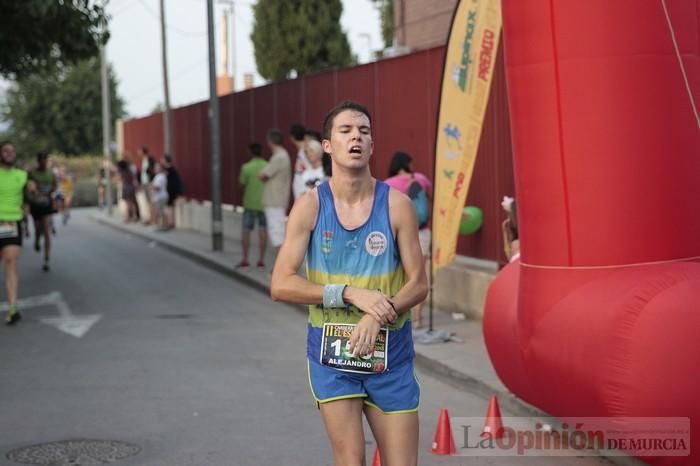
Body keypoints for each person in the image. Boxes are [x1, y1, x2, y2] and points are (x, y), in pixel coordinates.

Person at [270, 101, 427, 466]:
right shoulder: (309, 206)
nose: (356, 136)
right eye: (346, 131)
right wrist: (347, 293)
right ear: (327, 145)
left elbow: (419, 284)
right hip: (332, 359)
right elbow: (281, 284)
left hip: (390, 356)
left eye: (364, 131)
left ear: (372, 146)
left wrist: (379, 314)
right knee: (351, 460)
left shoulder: (396, 205)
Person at [384, 151, 433, 329]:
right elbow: (431, 198)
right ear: (408, 164)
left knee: (400, 275)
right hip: (422, 232)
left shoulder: (388, 184)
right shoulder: (420, 178)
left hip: (398, 233)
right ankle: (418, 318)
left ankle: (400, 313)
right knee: (419, 276)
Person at [0, 142, 29, 325]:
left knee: (11, 262)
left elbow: (29, 198)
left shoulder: (22, 176)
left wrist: (27, 207)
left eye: (12, 150)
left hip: (12, 223)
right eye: (5, 151)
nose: (10, 153)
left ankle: (12, 308)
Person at [258, 128, 291, 266]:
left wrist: (262, 174)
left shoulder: (279, 157)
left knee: (277, 235)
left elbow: (263, 174)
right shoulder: (283, 155)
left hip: (275, 200)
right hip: (277, 199)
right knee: (278, 233)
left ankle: (281, 268)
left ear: (270, 141)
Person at [237, 142, 268, 269]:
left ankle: (245, 259)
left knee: (246, 232)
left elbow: (241, 184)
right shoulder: (267, 166)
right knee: (263, 231)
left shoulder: (246, 167)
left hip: (249, 203)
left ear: (250, 152)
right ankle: (261, 260)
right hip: (264, 204)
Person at [28, 152, 57, 271]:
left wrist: (49, 193)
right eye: (43, 160)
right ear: (38, 161)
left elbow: (55, 186)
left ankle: (46, 259)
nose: (45, 163)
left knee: (46, 231)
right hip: (35, 205)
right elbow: (29, 186)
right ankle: (36, 240)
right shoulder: (32, 173)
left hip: (46, 204)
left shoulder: (51, 173)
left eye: (46, 160)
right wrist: (35, 193)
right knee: (37, 229)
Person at [163, 154, 183, 230]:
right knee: (170, 207)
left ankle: (170, 223)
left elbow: (174, 182)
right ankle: (171, 223)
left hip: (171, 191)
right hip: (171, 191)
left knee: (169, 208)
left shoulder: (170, 170)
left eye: (163, 160)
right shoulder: (170, 169)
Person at [290, 123, 309, 200]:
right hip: (301, 187)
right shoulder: (303, 150)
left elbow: (310, 169)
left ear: (292, 137)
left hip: (303, 188)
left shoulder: (305, 151)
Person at [150, 162, 169, 230]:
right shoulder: (159, 176)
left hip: (160, 197)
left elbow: (157, 188)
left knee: (160, 212)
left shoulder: (160, 177)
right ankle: (161, 226)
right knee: (160, 212)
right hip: (159, 197)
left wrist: (151, 186)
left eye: (157, 167)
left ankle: (164, 226)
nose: (155, 169)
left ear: (161, 169)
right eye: (155, 167)